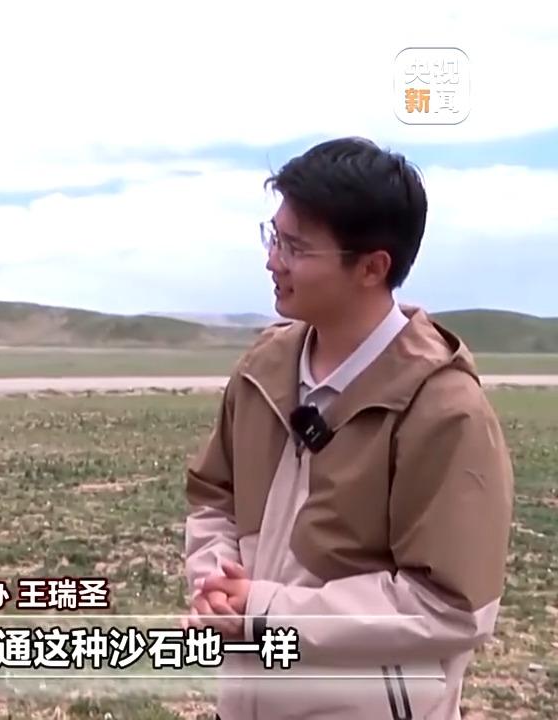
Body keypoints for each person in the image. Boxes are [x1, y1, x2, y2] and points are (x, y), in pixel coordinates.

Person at [182, 137, 514, 720]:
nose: (272, 261)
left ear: (372, 267)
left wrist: (267, 611)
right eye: (273, 236)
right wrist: (218, 585)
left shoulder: (444, 411)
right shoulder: (262, 371)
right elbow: (215, 498)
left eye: (295, 247)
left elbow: (449, 607)